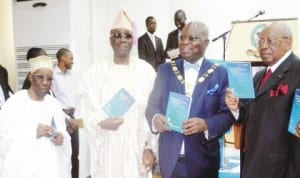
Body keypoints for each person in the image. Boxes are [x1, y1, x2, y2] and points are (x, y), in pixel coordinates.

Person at [146, 21, 233, 178]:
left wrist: (206, 124)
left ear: (206, 43)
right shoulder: (165, 71)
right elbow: (152, 107)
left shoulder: (220, 74)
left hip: (203, 161)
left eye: (192, 38)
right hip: (169, 161)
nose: (185, 42)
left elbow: (228, 115)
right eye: (182, 38)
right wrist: (156, 118)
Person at [77, 9, 157, 178]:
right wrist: (100, 122)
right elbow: (83, 113)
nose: (122, 39)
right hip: (107, 148)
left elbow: (154, 112)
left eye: (127, 35)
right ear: (110, 39)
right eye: (117, 34)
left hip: (136, 150)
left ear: (133, 39)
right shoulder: (94, 74)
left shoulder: (146, 72)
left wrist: (149, 146)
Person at [225, 22, 300, 178]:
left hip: (279, 169)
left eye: (270, 40)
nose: (263, 46)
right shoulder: (259, 76)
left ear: (288, 42)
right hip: (251, 163)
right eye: (260, 41)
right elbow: (248, 113)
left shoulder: (297, 71)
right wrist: (236, 107)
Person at [0, 55, 71, 178]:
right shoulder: (15, 103)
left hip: (52, 169)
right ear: (30, 78)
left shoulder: (53, 104)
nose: (45, 82)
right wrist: (33, 133)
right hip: (24, 170)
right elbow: (4, 139)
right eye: (40, 77)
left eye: (49, 79)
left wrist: (61, 138)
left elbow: (63, 132)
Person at [51, 48, 79, 178]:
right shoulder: (52, 76)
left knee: (75, 153)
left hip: (75, 116)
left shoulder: (73, 75)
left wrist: (77, 120)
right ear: (62, 58)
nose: (73, 61)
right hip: (61, 118)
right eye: (71, 58)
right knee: (62, 153)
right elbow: (52, 99)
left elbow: (77, 97)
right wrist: (66, 120)